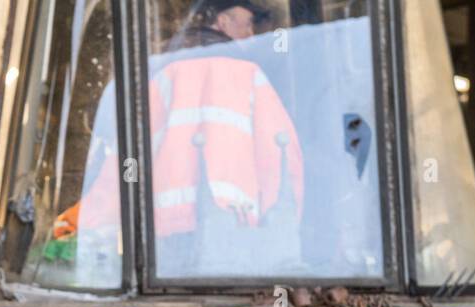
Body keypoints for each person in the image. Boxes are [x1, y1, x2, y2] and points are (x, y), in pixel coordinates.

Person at [54, 1, 303, 276]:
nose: (252, 36)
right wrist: (279, 233)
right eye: (247, 25)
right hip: (236, 239)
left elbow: (126, 164)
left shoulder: (163, 78)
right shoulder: (251, 77)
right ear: (223, 21)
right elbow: (282, 161)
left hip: (162, 243)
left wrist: (84, 221)